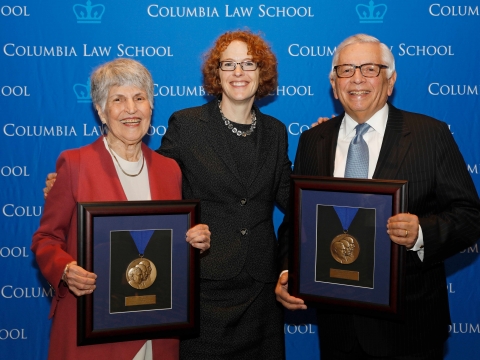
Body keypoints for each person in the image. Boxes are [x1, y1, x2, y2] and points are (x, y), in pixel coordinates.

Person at [276, 34, 480, 359]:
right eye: (346, 70)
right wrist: (288, 272)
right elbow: (295, 221)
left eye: (370, 68)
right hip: (338, 329)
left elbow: (470, 216)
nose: (357, 78)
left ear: (390, 80)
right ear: (333, 83)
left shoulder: (431, 135)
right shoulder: (312, 141)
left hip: (408, 328)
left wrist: (421, 233)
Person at [32, 58, 210, 360]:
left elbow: (164, 246)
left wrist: (194, 241)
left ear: (151, 107)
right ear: (101, 110)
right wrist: (65, 269)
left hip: (157, 330)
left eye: (139, 98)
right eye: (118, 99)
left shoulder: (170, 170)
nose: (131, 109)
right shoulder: (75, 164)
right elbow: (46, 239)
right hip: (95, 330)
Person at [157, 30, 291, 359]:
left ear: (263, 72)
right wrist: (92, 174)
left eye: (248, 63)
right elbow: (156, 189)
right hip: (205, 284)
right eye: (228, 64)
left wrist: (329, 153)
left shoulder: (275, 131)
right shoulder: (186, 125)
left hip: (261, 287)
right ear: (216, 73)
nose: (238, 72)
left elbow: (292, 199)